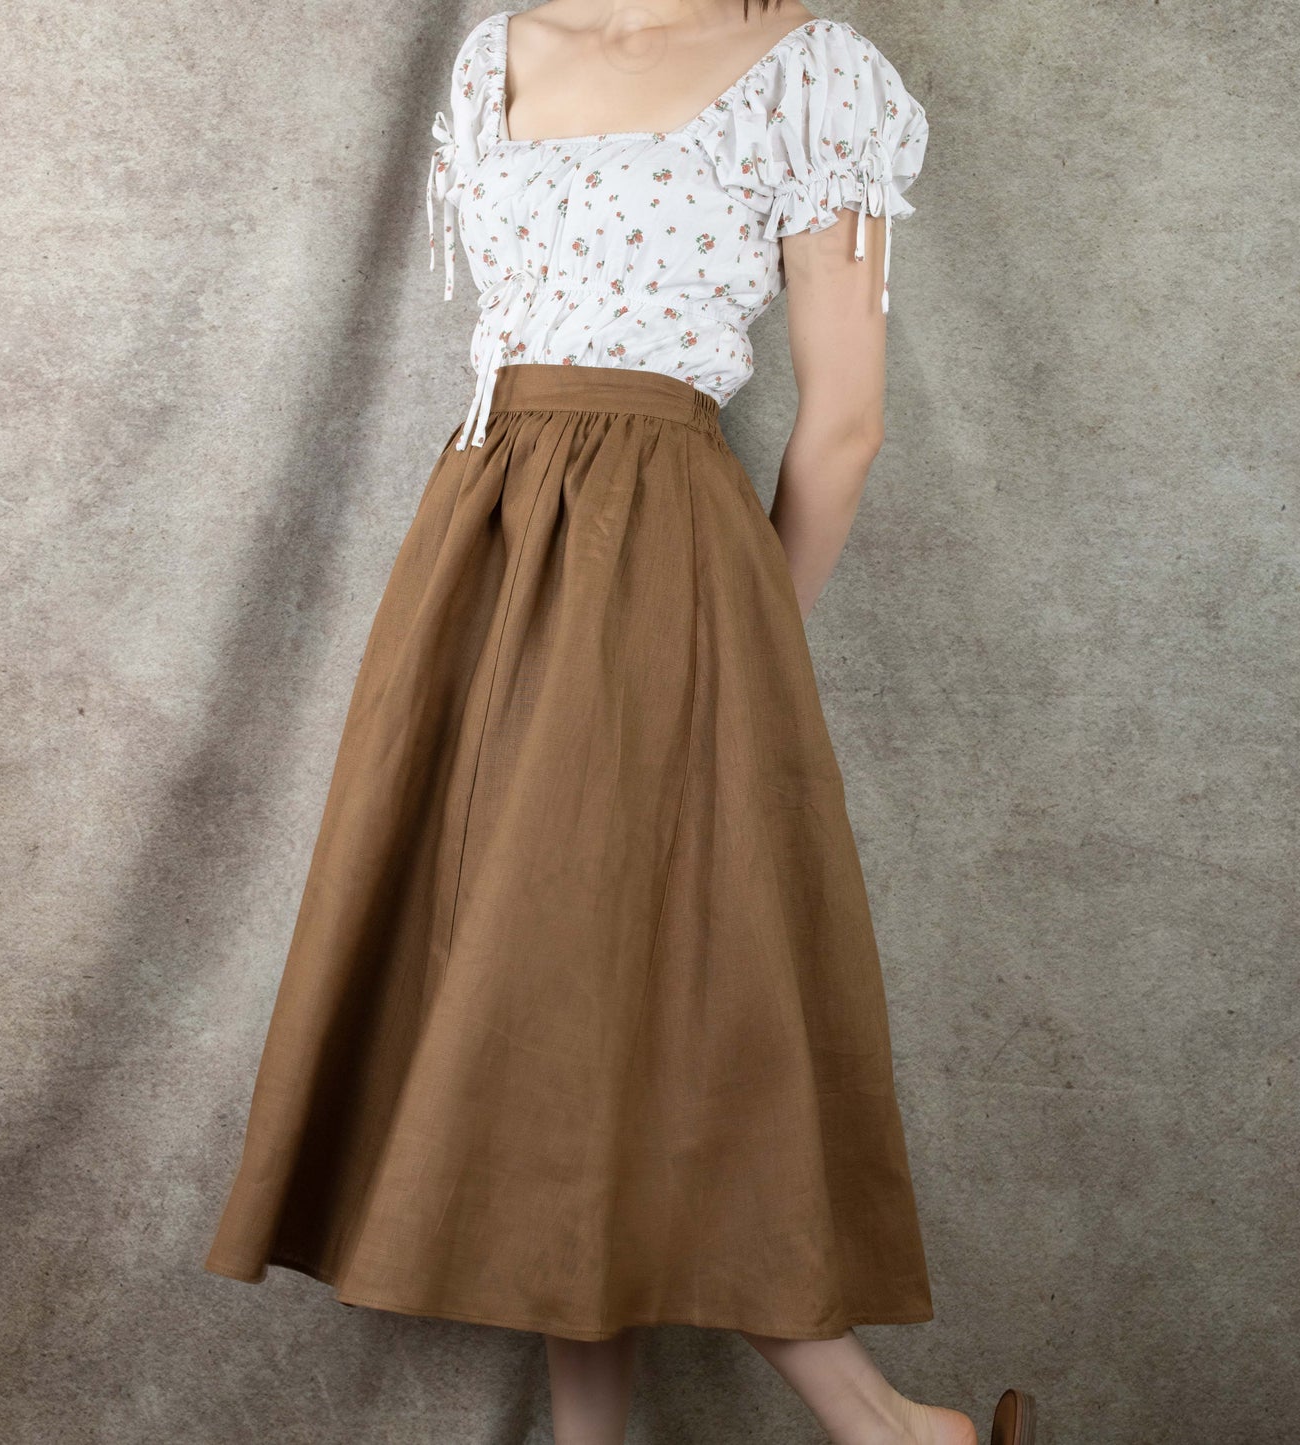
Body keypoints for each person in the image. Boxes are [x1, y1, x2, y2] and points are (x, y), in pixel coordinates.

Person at [203, 3, 1036, 1442]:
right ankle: (872, 1432)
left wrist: (737, 644)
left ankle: (884, 1425)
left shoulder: (815, 74)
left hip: (659, 549)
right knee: (540, 996)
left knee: (604, 982)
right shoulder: (492, 52)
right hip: (481, 530)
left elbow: (843, 418)